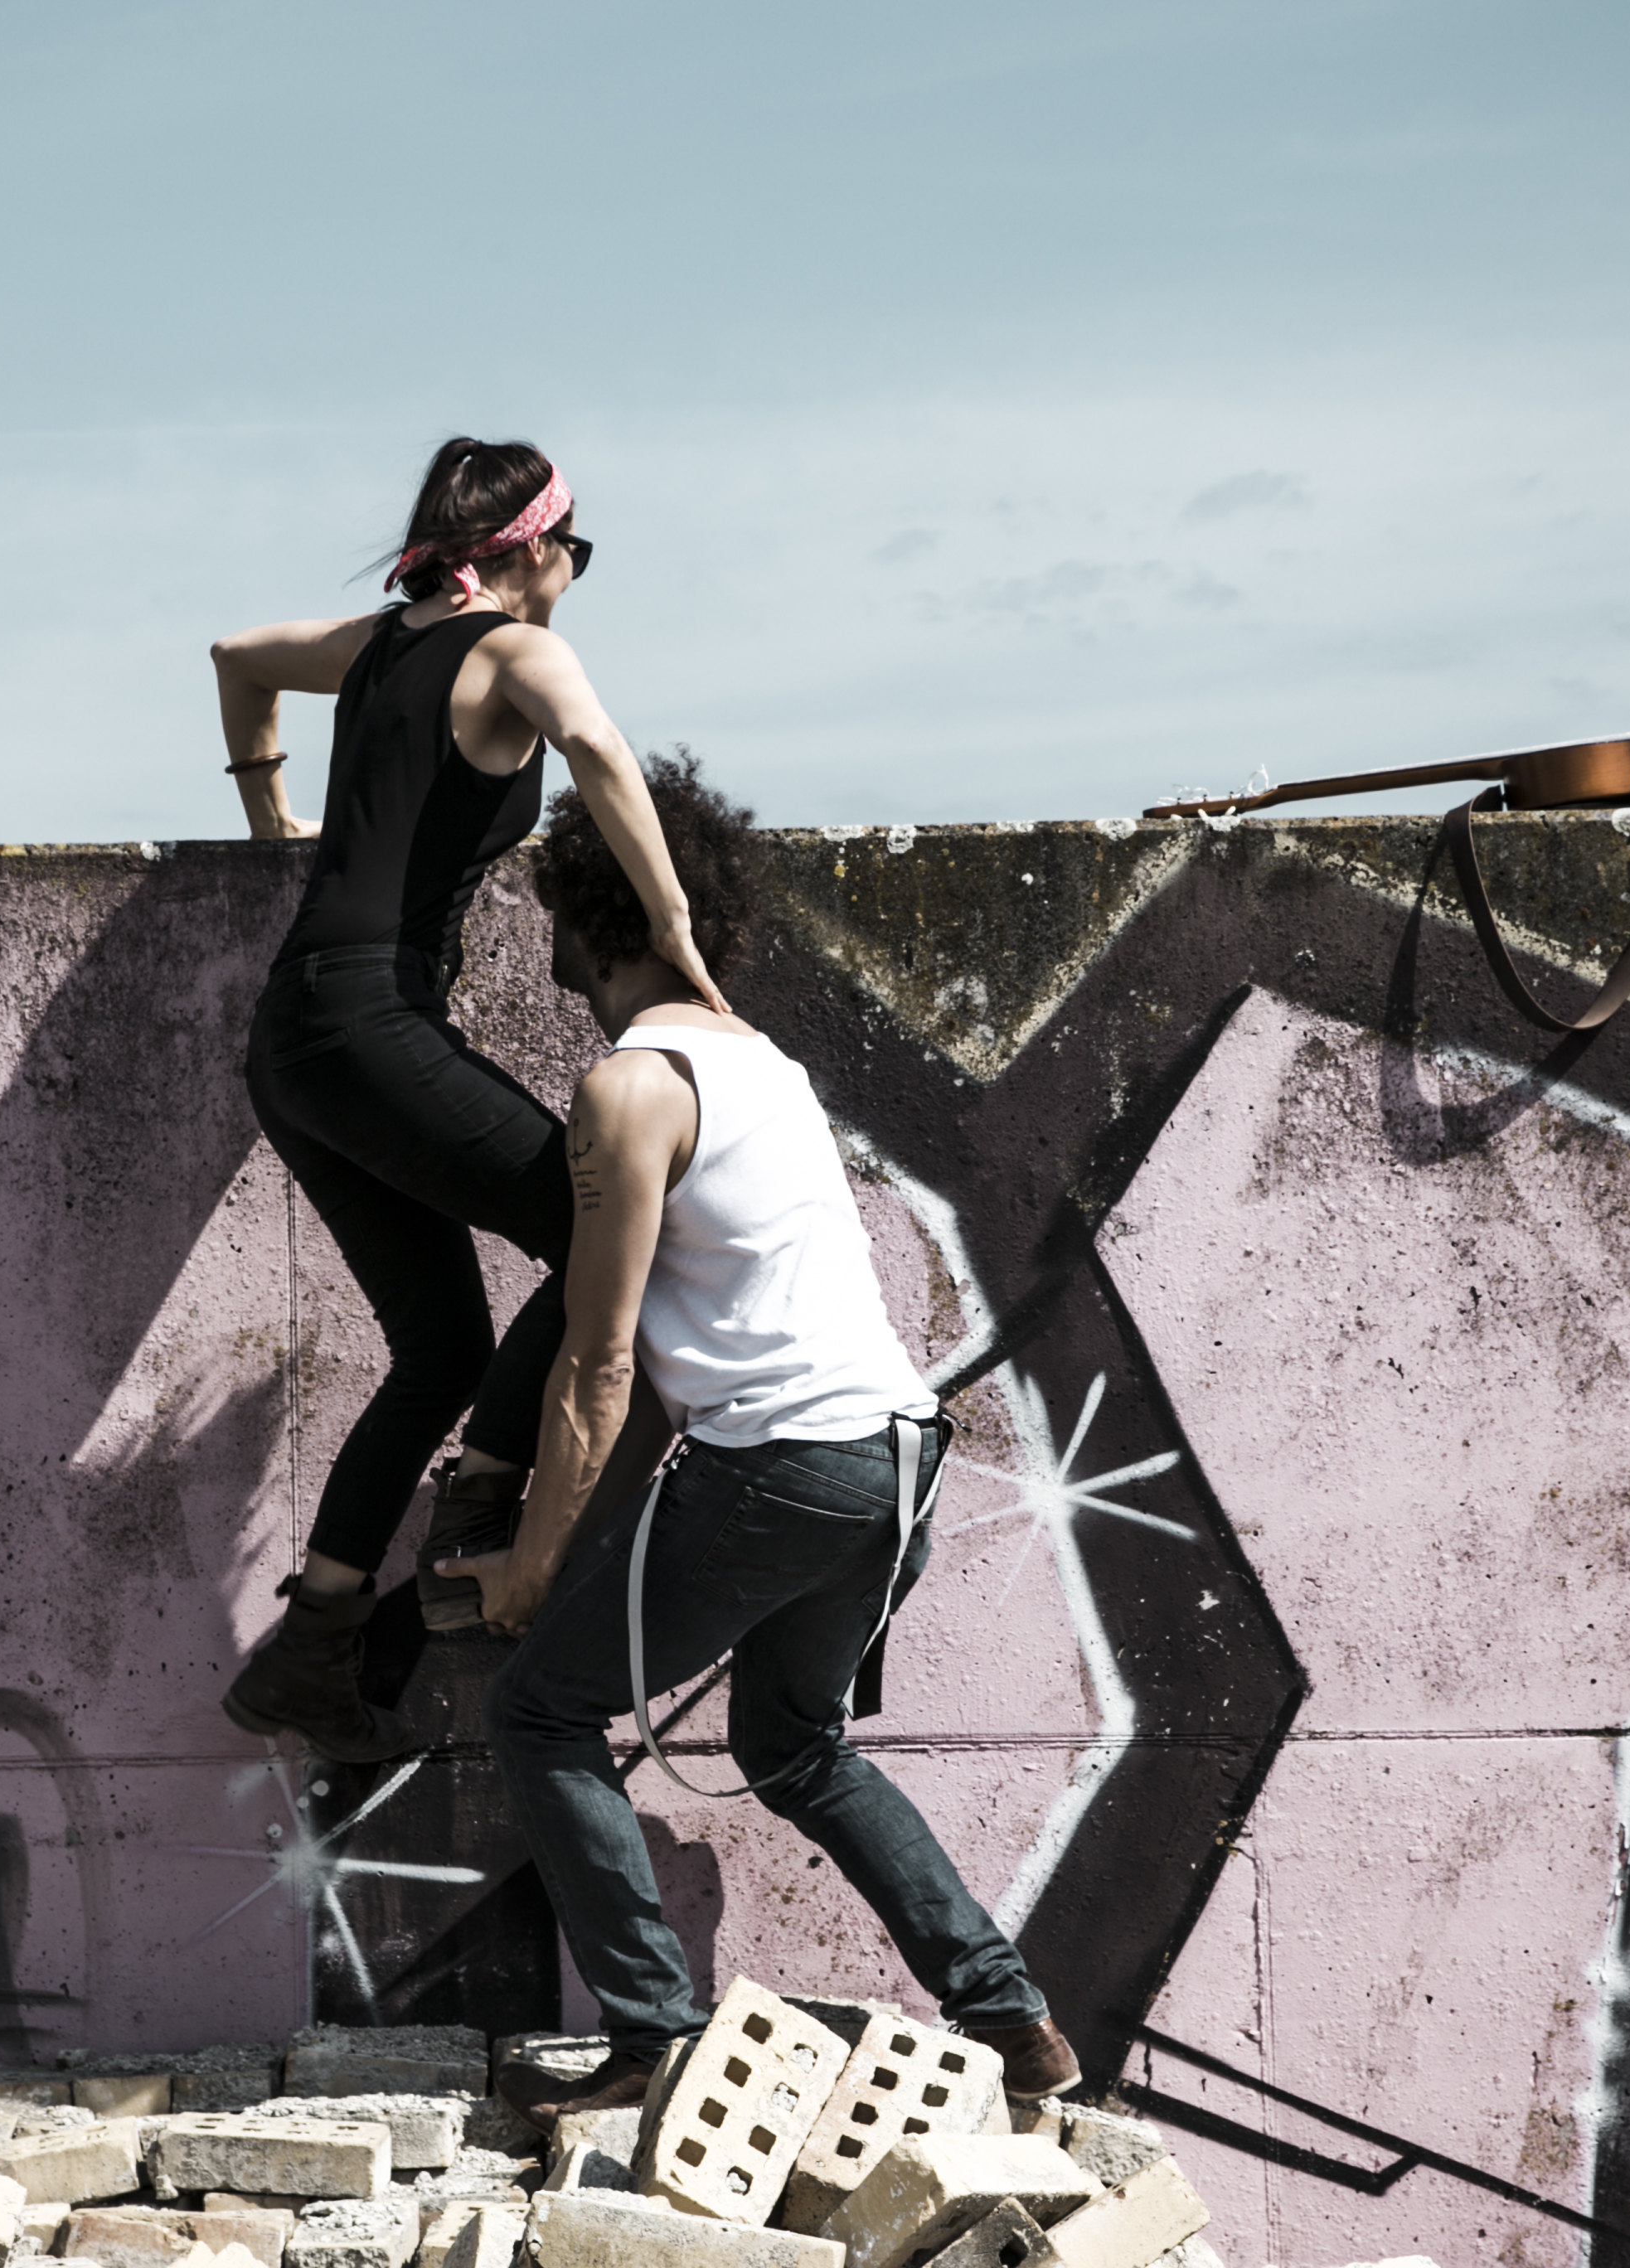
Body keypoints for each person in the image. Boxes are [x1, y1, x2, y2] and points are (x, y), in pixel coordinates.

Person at [439, 757, 1081, 2126]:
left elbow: (599, 1365)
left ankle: (654, 2037)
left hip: (785, 1464)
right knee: (796, 1746)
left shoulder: (631, 1088)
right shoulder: (765, 1065)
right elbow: (670, 1379)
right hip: (897, 1457)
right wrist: (579, 1540)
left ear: (583, 917)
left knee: (538, 1712)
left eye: (553, 913)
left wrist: (530, 1570)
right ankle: (1009, 2017)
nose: (547, 943)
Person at [210, 439, 730, 1762]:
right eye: (576, 552)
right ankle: (482, 1507)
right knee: (604, 1233)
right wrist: (677, 932)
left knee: (440, 1350)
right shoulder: (513, 652)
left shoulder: (377, 644)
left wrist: (271, 815)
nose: (574, 577)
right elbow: (599, 750)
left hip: (294, 1041)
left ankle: (312, 1649)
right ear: (531, 547)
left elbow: (236, 658)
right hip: (372, 1022)